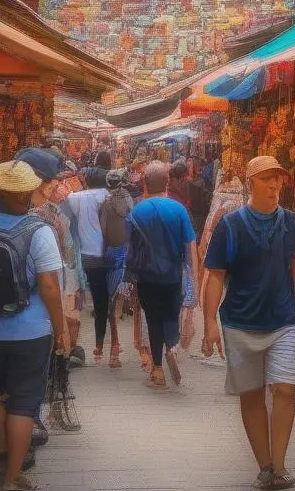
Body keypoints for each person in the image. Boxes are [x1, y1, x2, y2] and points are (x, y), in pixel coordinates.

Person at [0, 160, 68, 491]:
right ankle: (12, 477)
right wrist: (61, 327)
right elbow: (49, 285)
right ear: (27, 191)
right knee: (24, 402)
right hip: (30, 330)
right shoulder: (38, 231)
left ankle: (0, 458)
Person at [202, 156, 295, 491]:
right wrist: (209, 322)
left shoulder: (291, 223)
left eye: (278, 179)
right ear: (251, 184)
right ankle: (264, 465)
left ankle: (279, 466)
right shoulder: (230, 225)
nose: (275, 185)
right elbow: (216, 276)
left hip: (283, 320)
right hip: (239, 321)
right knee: (250, 396)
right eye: (266, 179)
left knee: (285, 388)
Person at [128, 162, 198, 388]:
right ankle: (172, 347)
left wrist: (125, 279)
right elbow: (190, 247)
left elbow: (129, 248)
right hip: (172, 275)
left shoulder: (137, 211)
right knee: (170, 314)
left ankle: (157, 370)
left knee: (153, 319)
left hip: (146, 277)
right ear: (167, 183)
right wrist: (193, 280)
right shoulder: (178, 210)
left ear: (145, 184)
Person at [17, 147, 87, 362]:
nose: (58, 185)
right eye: (54, 181)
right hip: (37, 320)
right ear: (41, 185)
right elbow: (56, 276)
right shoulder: (48, 219)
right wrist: (60, 330)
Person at [67, 166, 116, 363]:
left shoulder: (76, 197)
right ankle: (106, 344)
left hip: (86, 257)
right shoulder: (107, 196)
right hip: (108, 255)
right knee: (108, 301)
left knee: (92, 300)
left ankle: (95, 344)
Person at [101, 169, 134, 368]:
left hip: (113, 255)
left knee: (112, 304)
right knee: (131, 302)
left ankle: (115, 348)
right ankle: (144, 349)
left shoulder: (106, 203)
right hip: (130, 257)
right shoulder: (131, 202)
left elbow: (104, 230)